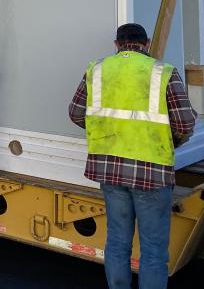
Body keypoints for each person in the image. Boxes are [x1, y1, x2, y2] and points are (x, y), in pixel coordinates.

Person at [68, 23, 196, 289]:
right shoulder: (163, 73)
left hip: (110, 170)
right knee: (153, 250)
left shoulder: (98, 69)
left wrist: (107, 132)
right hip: (152, 172)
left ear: (117, 44)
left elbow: (76, 113)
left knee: (116, 242)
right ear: (146, 43)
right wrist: (169, 141)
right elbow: (184, 124)